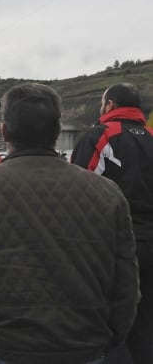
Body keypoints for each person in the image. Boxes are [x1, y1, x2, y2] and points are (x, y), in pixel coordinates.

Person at [0, 83, 139, 364]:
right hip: (86, 344)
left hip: (8, 344)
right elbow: (125, 278)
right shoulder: (108, 192)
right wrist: (114, 333)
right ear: (56, 131)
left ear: (4, 132)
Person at [72, 82, 153, 364]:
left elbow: (78, 190)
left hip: (112, 244)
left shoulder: (100, 136)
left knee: (107, 323)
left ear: (109, 105)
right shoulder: (152, 136)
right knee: (146, 326)